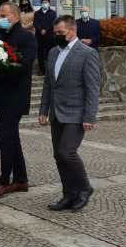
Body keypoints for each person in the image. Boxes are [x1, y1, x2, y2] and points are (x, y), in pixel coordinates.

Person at [39, 15, 100, 211]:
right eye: (55, 32)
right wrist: (43, 109)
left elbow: (92, 87)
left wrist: (89, 116)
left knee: (68, 152)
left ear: (72, 31)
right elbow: (49, 84)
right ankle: (68, 194)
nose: (56, 36)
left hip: (76, 112)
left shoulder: (87, 53)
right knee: (59, 155)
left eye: (60, 33)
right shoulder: (53, 52)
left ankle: (84, 188)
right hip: (57, 112)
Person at [0, 2, 37, 198]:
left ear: (15, 16)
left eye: (4, 14)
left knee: (5, 138)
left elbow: (25, 64)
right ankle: (21, 179)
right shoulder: (1, 36)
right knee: (12, 138)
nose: (1, 18)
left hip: (16, 95)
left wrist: (2, 67)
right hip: (2, 94)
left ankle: (4, 181)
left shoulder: (26, 36)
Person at [33, 0, 57, 76]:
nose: (45, 4)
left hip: (49, 36)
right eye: (43, 3)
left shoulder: (53, 13)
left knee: (49, 53)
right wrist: (40, 30)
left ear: (49, 4)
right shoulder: (37, 13)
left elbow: (53, 23)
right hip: (39, 36)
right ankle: (41, 70)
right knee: (40, 54)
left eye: (46, 2)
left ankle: (49, 70)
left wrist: (46, 29)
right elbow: (35, 23)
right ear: (41, 4)